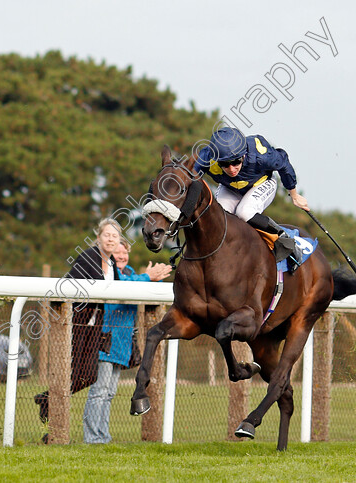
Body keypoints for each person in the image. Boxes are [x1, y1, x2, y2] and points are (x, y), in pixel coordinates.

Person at [33, 218, 122, 432]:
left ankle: (46, 398)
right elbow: (71, 284)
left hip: (95, 325)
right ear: (98, 237)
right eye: (107, 235)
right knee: (69, 370)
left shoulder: (112, 264)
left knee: (89, 374)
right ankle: (55, 425)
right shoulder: (88, 256)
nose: (110, 239)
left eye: (115, 236)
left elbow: (118, 291)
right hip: (77, 322)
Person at [83, 239, 171, 444]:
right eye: (117, 252)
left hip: (121, 345)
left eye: (125, 253)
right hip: (105, 341)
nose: (122, 256)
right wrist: (147, 277)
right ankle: (93, 438)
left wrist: (152, 280)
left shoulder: (132, 275)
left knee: (109, 392)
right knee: (99, 392)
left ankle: (102, 436)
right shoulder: (112, 275)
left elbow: (140, 287)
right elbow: (122, 284)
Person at [196, 127, 309, 267]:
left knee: (244, 212)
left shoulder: (260, 156)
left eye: (236, 161)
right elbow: (190, 179)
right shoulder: (206, 156)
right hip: (230, 187)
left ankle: (284, 239)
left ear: (243, 155)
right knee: (220, 217)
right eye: (224, 164)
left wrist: (294, 194)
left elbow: (283, 163)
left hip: (262, 183)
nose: (231, 169)